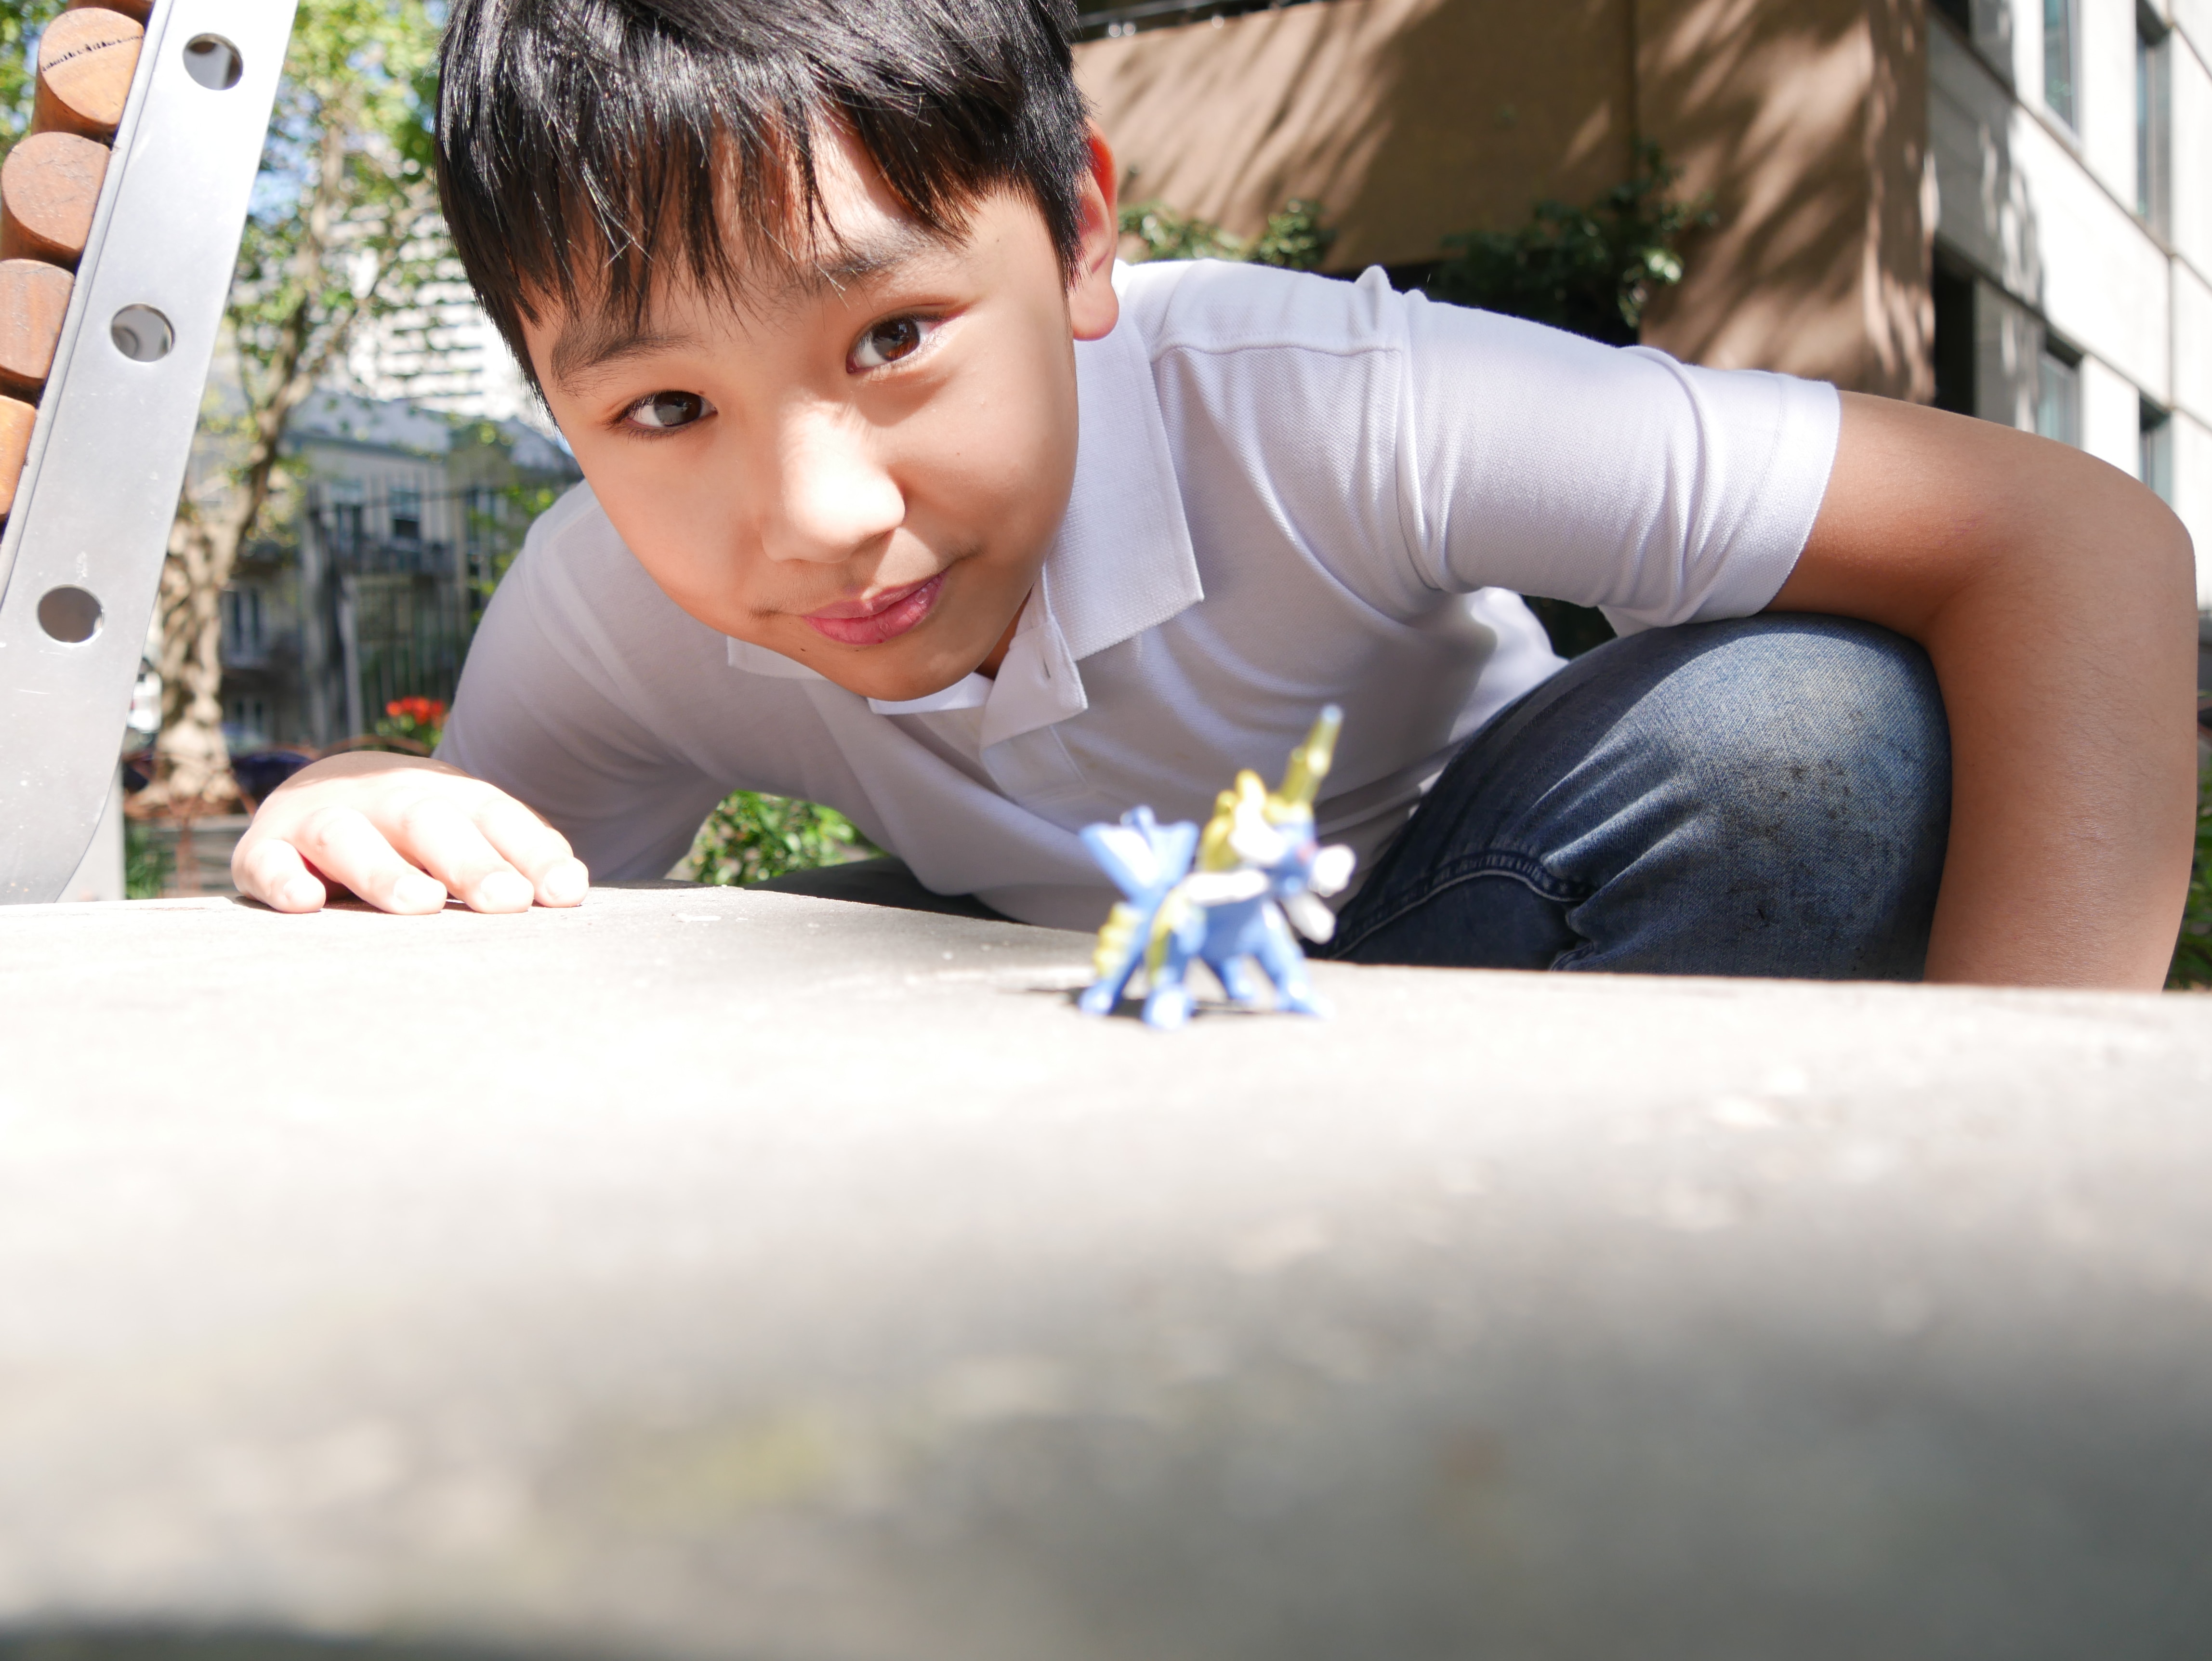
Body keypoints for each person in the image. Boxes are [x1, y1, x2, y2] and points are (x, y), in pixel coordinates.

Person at [233, 0, 2199, 988]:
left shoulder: (1320, 404)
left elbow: (2069, 535)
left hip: (1490, 934)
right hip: (1082, 1015)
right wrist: (346, 798)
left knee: (1805, 729)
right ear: (556, 410)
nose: (816, 509)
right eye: (661, 407)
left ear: (1076, 235)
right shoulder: (606, 598)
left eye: (892, 338)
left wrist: (2019, 1124)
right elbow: (492, 904)